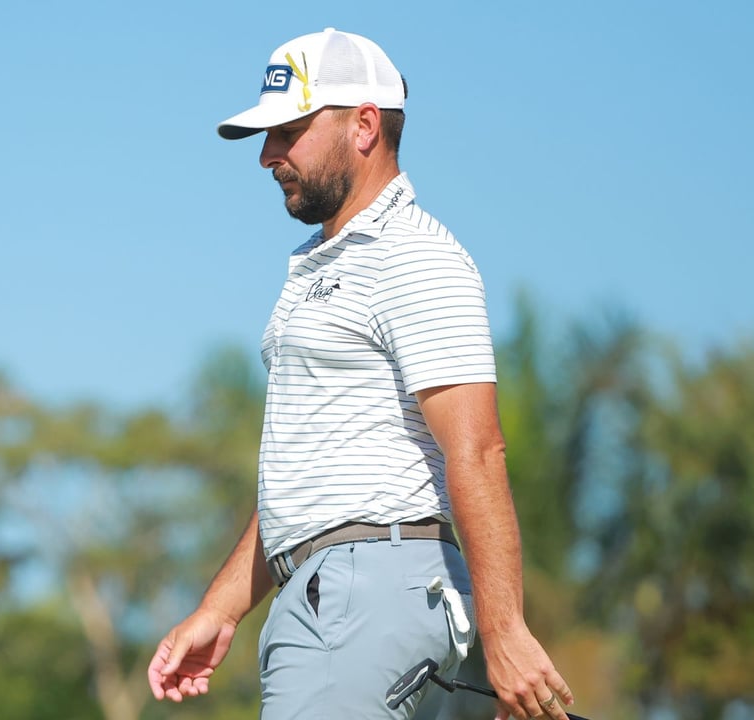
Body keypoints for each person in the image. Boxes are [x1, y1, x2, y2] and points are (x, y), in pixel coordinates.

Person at [146, 28, 577, 720]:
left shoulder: (413, 255)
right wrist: (222, 608)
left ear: (365, 126)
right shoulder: (325, 263)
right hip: (345, 594)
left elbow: (477, 448)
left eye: (288, 131)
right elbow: (310, 475)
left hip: (362, 597)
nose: (267, 156)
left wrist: (506, 632)